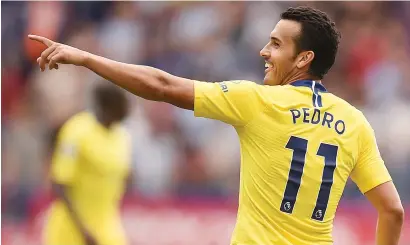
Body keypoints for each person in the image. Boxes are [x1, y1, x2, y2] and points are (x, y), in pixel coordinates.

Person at [30, 6, 404, 245]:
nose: (264, 51)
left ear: (304, 57)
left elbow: (162, 86)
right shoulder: (354, 122)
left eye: (276, 44)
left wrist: (86, 58)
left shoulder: (257, 101)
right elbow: (392, 211)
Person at [43, 83, 132, 245]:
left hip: (108, 226)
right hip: (71, 230)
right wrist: (83, 230)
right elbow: (59, 183)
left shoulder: (123, 136)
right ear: (109, 105)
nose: (129, 108)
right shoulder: (76, 130)